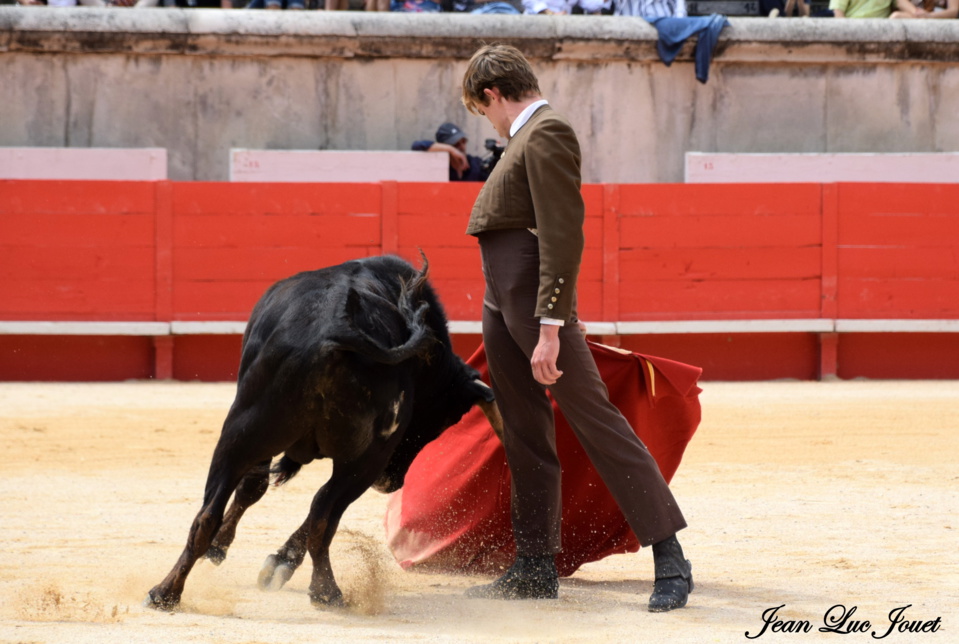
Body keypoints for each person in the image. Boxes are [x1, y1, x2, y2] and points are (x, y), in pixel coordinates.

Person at [459, 43, 693, 613]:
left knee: (595, 419)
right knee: (523, 428)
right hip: (502, 301)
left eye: (482, 108)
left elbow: (562, 239)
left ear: (493, 94)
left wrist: (549, 326)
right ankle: (536, 564)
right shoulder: (525, 139)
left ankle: (671, 556)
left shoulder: (547, 133)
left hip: (534, 305)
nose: (486, 118)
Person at [411, 122, 497, 182]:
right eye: (455, 144)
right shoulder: (440, 168)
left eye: (463, 141)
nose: (462, 147)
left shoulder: (475, 164)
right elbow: (416, 146)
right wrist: (451, 150)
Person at [890, 0, 957, 17]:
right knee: (897, 16)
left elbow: (954, 10)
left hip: (939, 18)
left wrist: (930, 16)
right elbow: (900, 2)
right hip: (914, 15)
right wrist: (917, 12)